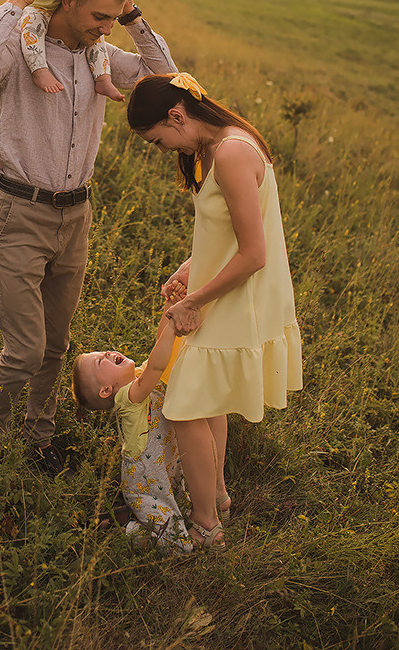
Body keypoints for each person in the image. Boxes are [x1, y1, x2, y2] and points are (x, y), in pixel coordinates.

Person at [0, 0, 176, 475]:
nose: (106, 28)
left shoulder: (98, 54)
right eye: (99, 16)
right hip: (20, 211)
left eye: (112, 19)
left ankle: (40, 437)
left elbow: (166, 79)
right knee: (26, 349)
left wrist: (131, 15)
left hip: (76, 215)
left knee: (55, 343)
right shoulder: (18, 47)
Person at [126, 71, 303, 548]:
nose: (163, 150)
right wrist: (190, 267)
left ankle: (206, 526)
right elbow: (225, 234)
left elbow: (253, 252)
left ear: (176, 115)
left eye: (159, 140)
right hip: (226, 288)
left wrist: (192, 301)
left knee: (184, 407)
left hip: (239, 296)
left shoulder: (229, 152)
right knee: (209, 401)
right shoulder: (216, 146)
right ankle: (217, 495)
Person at [72, 299, 193, 553]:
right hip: (145, 485)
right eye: (99, 361)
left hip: (167, 471)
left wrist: (170, 309)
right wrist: (173, 325)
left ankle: (134, 515)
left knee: (188, 515)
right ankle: (124, 526)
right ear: (106, 390)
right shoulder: (127, 399)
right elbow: (158, 364)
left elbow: (160, 348)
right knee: (179, 546)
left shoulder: (138, 377)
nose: (107, 352)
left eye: (102, 351)